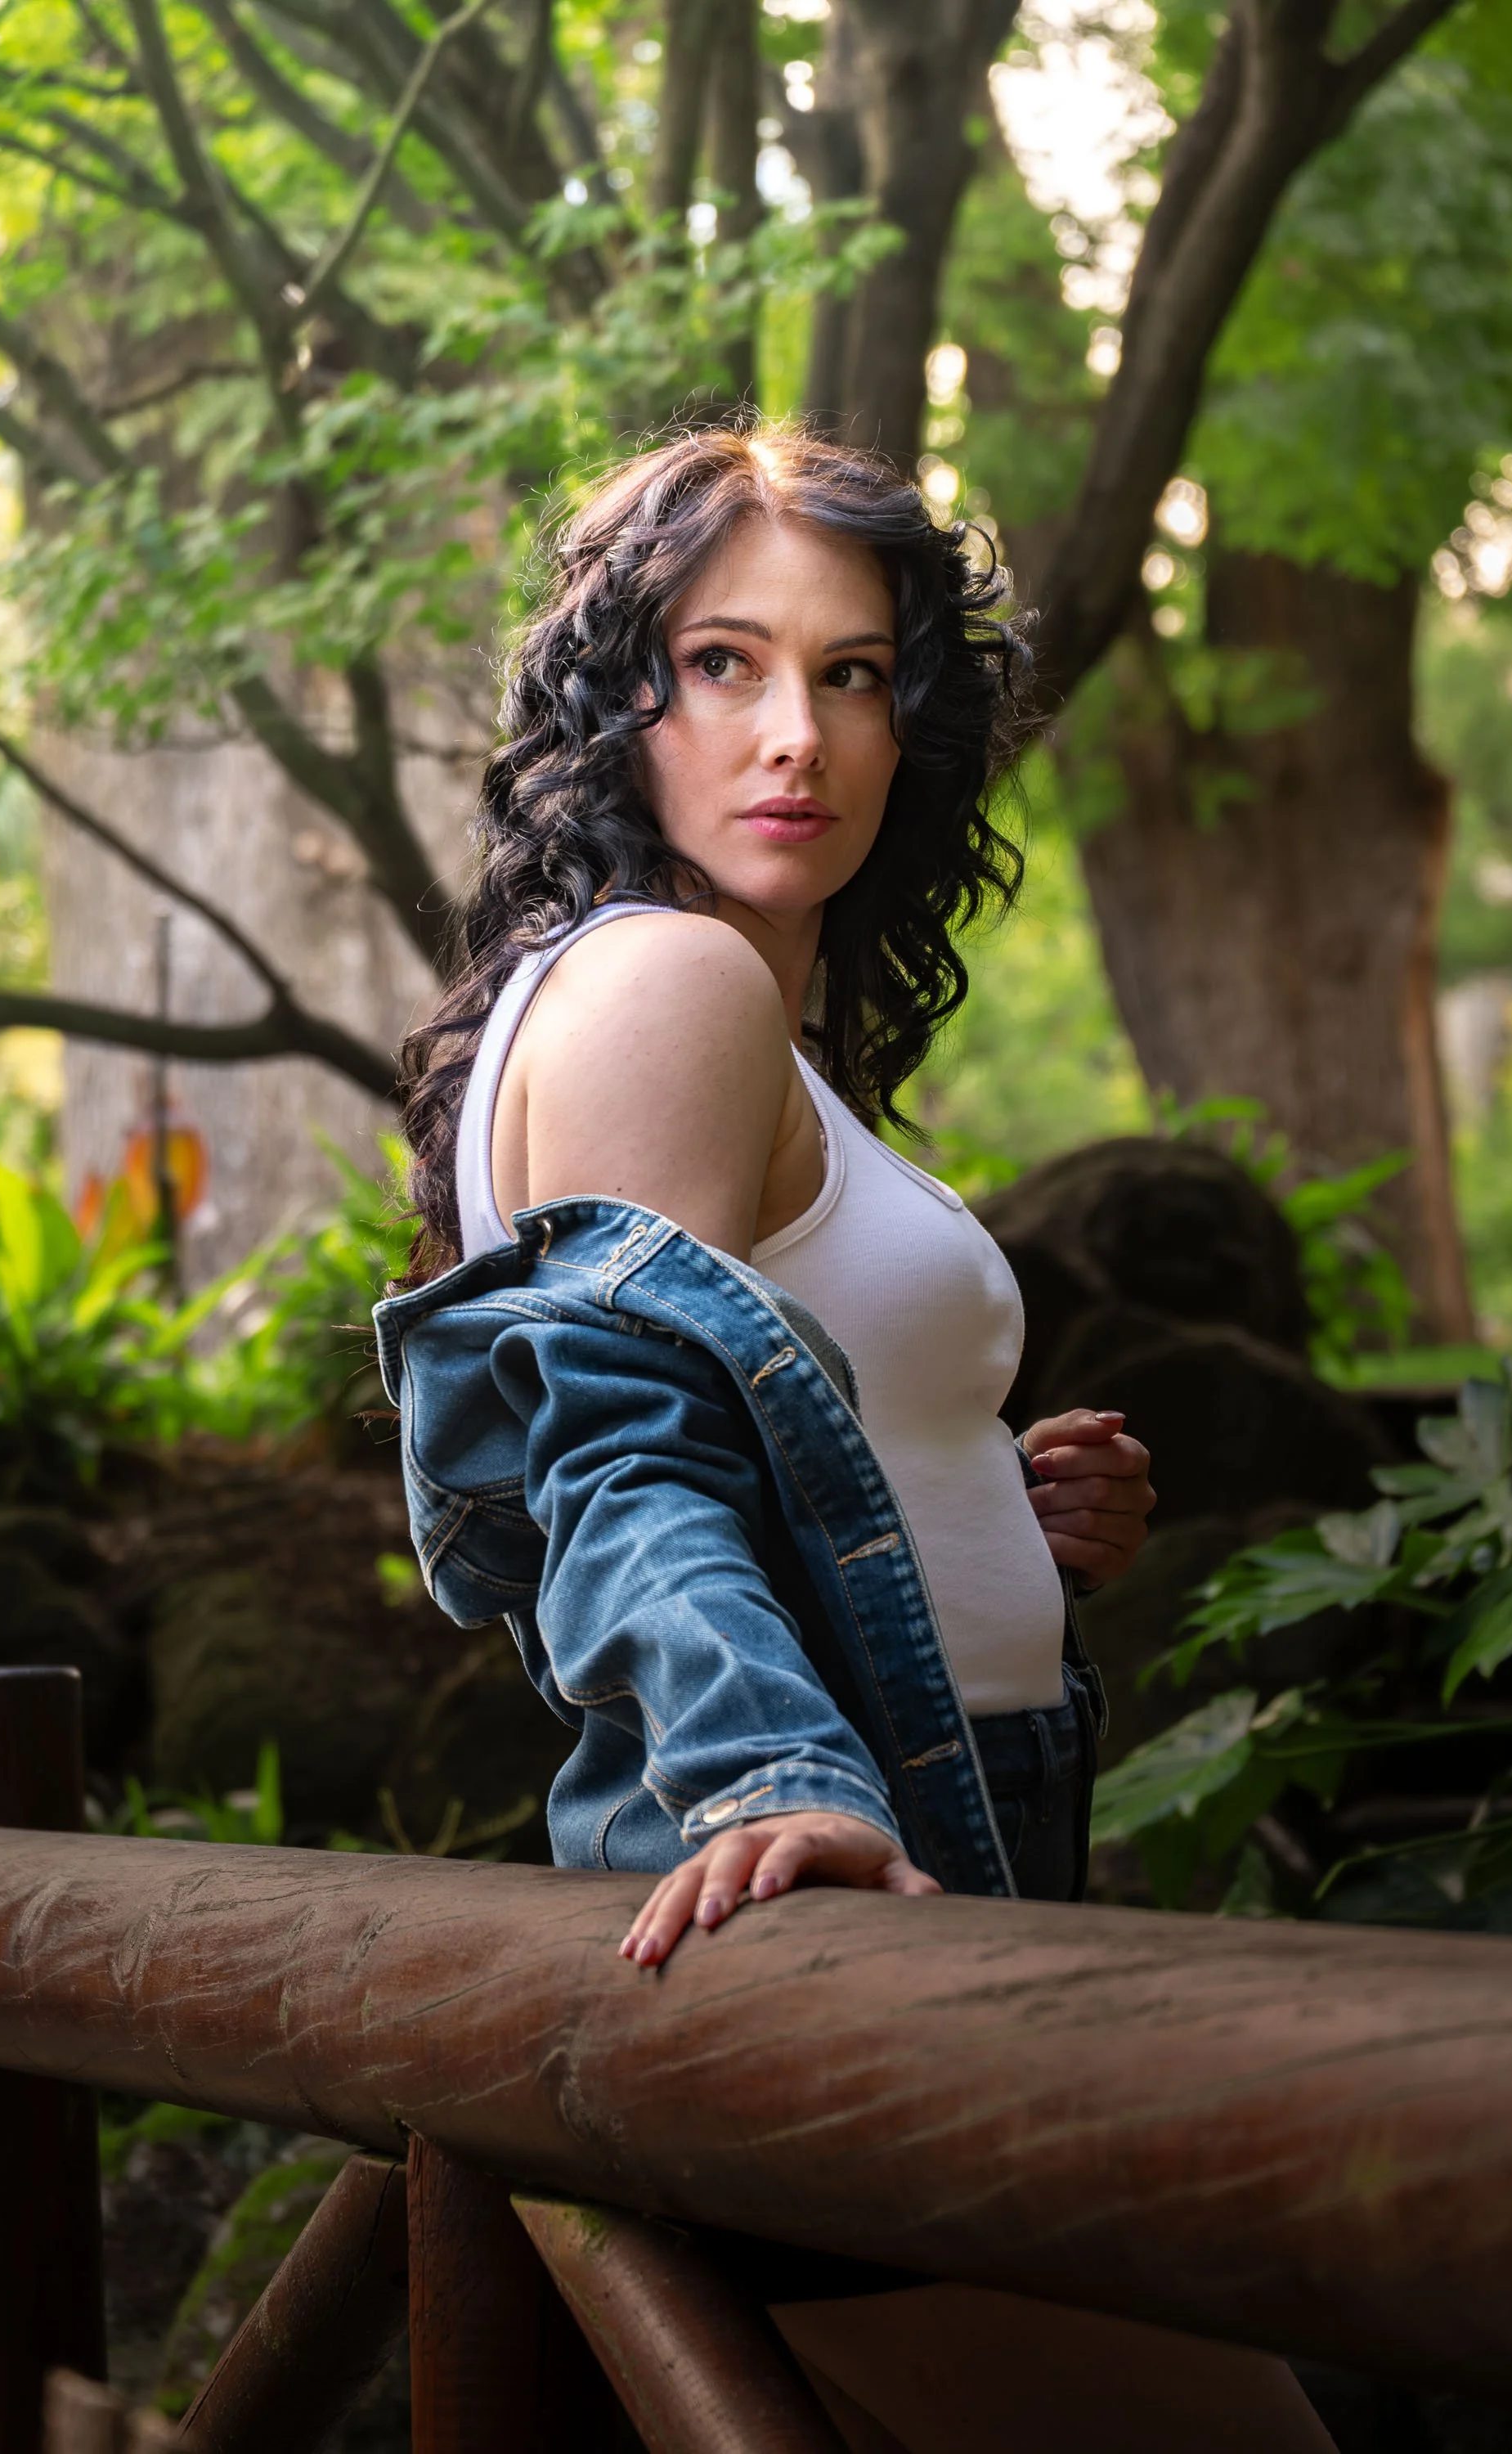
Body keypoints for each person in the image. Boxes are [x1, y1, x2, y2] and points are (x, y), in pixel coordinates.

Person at [380, 426, 1335, 2453]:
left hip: (901, 1860)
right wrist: (771, 1781)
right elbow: (616, 1470)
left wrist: (980, 1503)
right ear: (613, 701)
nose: (792, 733)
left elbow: (745, 1437)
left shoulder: (713, 1011)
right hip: (819, 1895)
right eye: (721, 663)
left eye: (855, 672)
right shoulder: (668, 989)